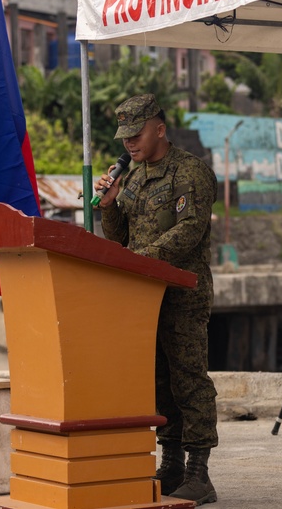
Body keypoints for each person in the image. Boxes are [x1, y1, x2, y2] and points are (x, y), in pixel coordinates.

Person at [95, 93, 219, 505]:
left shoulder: (190, 172)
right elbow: (119, 238)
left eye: (137, 133)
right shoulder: (130, 178)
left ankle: (199, 472)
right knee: (158, 380)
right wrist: (109, 206)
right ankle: (171, 464)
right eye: (124, 136)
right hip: (145, 297)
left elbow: (189, 232)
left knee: (189, 378)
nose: (129, 143)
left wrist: (137, 261)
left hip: (183, 294)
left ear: (159, 129)